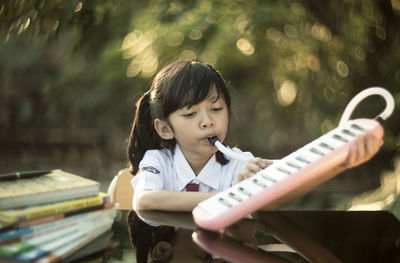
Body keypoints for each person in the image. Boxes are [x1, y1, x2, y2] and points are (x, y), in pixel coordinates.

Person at [127, 60, 382, 212]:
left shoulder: (240, 165)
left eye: (216, 109)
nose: (208, 121)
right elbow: (146, 200)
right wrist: (232, 199)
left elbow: (270, 203)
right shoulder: (158, 160)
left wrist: (335, 165)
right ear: (165, 128)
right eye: (191, 114)